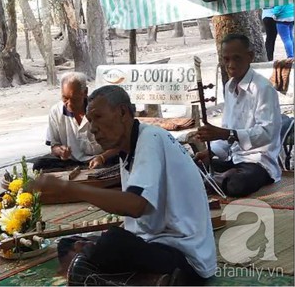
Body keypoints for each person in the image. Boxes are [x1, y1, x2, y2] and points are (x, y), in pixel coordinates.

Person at [33, 85, 217, 285]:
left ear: (122, 112)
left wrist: (67, 188)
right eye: (90, 120)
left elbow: (135, 206)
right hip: (155, 243)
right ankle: (149, 281)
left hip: (185, 257)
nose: (92, 128)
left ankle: (147, 279)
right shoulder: (128, 148)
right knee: (68, 245)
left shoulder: (150, 138)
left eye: (98, 117)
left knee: (111, 243)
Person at [195, 34, 281, 197]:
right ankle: (218, 179)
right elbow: (226, 130)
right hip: (234, 159)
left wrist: (228, 134)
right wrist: (211, 152)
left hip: (258, 162)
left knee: (237, 184)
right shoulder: (229, 87)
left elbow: (267, 133)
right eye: (226, 59)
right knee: (192, 166)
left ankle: (216, 181)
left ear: (250, 57)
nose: (231, 65)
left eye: (237, 58)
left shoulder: (263, 88)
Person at [32, 72, 117, 171]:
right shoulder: (56, 111)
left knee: (119, 161)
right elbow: (54, 146)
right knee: (40, 165)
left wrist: (102, 158)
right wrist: (60, 151)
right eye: (65, 98)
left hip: (102, 158)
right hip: (71, 161)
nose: (69, 104)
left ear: (85, 92)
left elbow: (119, 145)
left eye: (74, 99)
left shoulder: (100, 109)